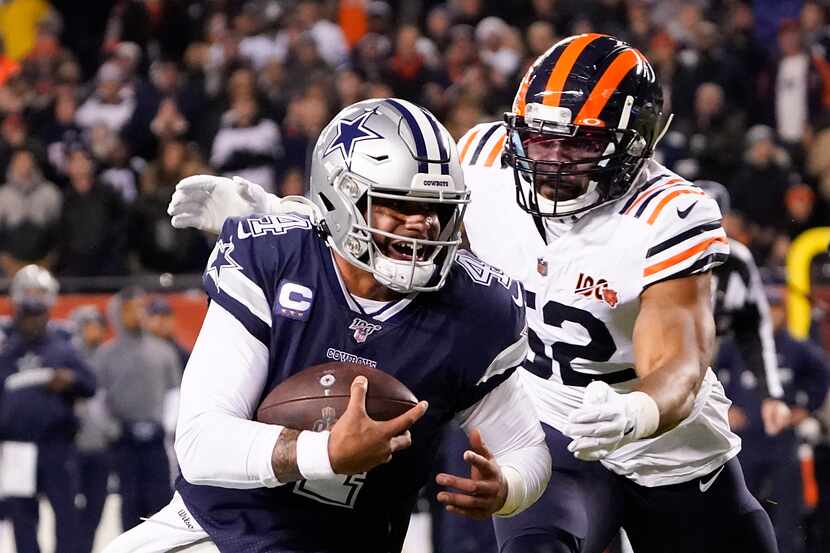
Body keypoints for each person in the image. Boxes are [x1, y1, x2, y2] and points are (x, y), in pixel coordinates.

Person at [167, 34, 779, 553]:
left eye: (580, 143)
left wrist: (635, 410)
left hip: (666, 452)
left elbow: (681, 361)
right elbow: (403, 230)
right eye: (539, 138)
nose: (552, 160)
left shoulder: (671, 213)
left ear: (636, 143)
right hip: (552, 433)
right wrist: (291, 216)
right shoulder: (484, 160)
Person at [104, 98, 551, 553]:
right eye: (399, 204)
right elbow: (200, 443)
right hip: (219, 524)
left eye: (437, 209)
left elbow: (526, 449)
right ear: (343, 199)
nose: (423, 226)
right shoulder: (277, 260)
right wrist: (326, 453)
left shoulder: (473, 309)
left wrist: (508, 490)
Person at [716, 287, 829, 553]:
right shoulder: (736, 345)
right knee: (740, 514)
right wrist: (724, 409)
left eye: (776, 307)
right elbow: (711, 376)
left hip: (782, 444)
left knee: (787, 516)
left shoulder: (798, 347)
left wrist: (807, 409)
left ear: (785, 310)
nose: (771, 313)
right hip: (744, 444)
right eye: (767, 307)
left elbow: (822, 376)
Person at [0, 265, 96, 553]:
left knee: (66, 514)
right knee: (22, 518)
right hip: (15, 447)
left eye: (38, 312)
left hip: (57, 445)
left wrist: (69, 380)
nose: (33, 320)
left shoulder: (62, 346)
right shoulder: (5, 348)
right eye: (27, 313)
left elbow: (90, 384)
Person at [696, 179, 792, 437]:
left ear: (725, 220)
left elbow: (754, 329)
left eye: (712, 221)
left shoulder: (738, 260)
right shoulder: (655, 255)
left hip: (708, 364)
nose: (703, 231)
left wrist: (771, 395)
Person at [92, 287, 182, 532]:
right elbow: (98, 399)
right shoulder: (106, 354)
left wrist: (166, 427)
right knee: (129, 503)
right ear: (117, 314)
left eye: (142, 308)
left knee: (162, 503)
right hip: (124, 441)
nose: (138, 314)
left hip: (157, 440)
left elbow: (174, 392)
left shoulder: (164, 351)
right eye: (131, 309)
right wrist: (113, 429)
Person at [69, 305, 119, 553]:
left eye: (99, 325)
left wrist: (111, 429)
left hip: (100, 446)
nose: (96, 330)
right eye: (91, 324)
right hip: (73, 446)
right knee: (70, 511)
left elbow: (112, 401)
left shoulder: (108, 357)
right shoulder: (68, 356)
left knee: (96, 508)